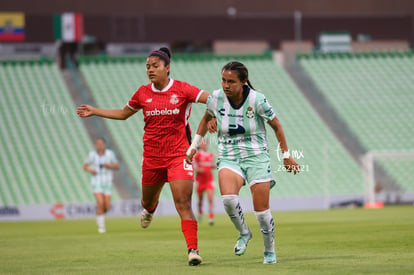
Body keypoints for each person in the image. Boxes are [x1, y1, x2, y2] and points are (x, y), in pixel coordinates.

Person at [77, 47, 209, 266]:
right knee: (148, 201)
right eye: (147, 66)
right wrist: (95, 111)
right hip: (152, 158)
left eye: (155, 66)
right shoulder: (142, 93)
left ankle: (192, 250)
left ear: (167, 68)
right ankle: (149, 209)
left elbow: (211, 100)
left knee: (183, 202)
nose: (150, 70)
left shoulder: (183, 89)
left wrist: (211, 117)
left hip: (179, 155)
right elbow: (123, 113)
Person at [186, 61, 300, 264]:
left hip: (256, 157)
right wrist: (193, 147)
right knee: (229, 199)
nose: (225, 85)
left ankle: (269, 251)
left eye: (231, 81)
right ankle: (244, 232)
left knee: (262, 213)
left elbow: (276, 126)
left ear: (243, 82)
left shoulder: (257, 100)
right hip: (229, 156)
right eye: (223, 80)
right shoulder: (216, 98)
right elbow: (205, 119)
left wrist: (286, 155)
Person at [83, 138, 119, 234]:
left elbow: (116, 165)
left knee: (106, 207)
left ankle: (100, 216)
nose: (99, 145)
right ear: (95, 145)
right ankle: (101, 227)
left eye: (101, 143)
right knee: (100, 203)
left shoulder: (109, 154)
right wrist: (90, 170)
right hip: (96, 181)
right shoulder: (92, 155)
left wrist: (109, 166)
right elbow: (85, 165)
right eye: (97, 143)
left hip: (107, 182)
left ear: (104, 144)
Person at [192, 139, 216, 225]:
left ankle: (211, 218)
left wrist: (216, 166)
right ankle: (200, 214)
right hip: (200, 180)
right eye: (203, 143)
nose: (204, 145)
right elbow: (194, 166)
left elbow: (211, 166)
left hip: (209, 180)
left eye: (206, 143)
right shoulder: (197, 155)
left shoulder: (210, 155)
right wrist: (199, 169)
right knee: (200, 200)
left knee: (210, 199)